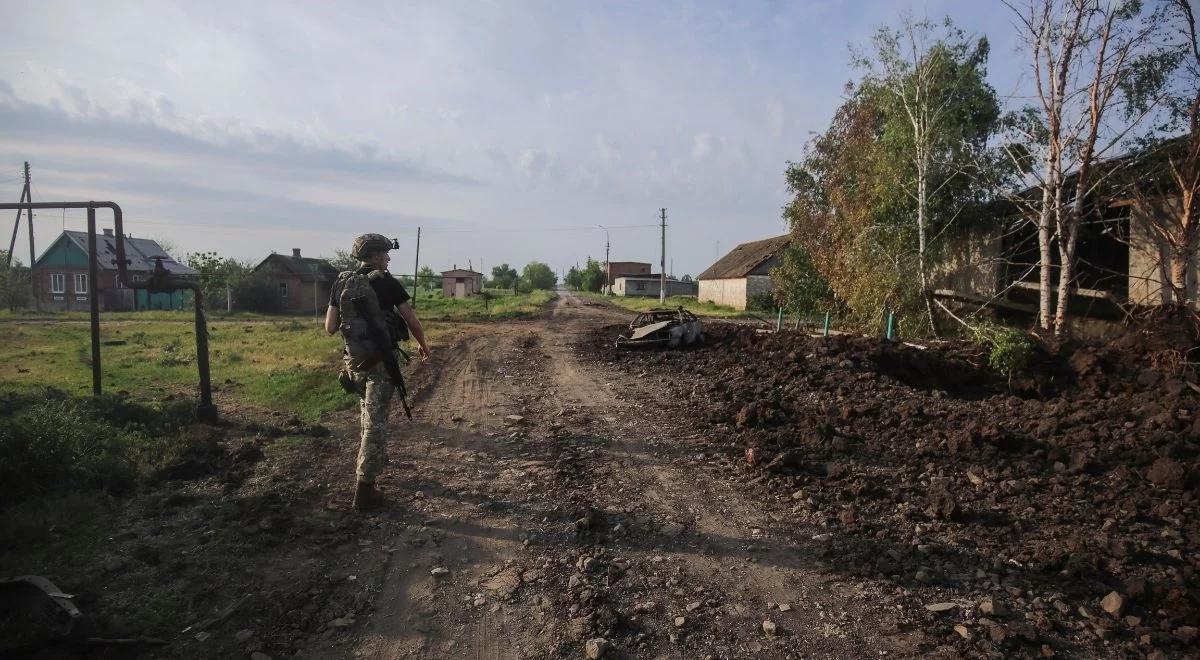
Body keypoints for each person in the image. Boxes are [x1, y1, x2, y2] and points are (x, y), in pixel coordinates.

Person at [325, 233, 431, 510]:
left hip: (354, 364)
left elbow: (329, 326)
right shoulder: (386, 283)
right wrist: (423, 345)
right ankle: (365, 491)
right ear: (372, 255)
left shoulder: (340, 282)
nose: (388, 257)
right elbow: (411, 319)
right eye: (384, 253)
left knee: (366, 415)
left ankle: (374, 462)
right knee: (376, 424)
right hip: (381, 364)